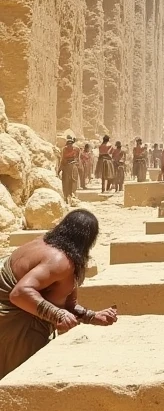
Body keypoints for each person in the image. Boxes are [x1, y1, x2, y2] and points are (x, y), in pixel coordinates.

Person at [0, 209, 117, 380]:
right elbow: (19, 294)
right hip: (17, 330)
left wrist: (93, 316)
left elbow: (67, 304)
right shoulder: (59, 260)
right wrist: (57, 314)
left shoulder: (55, 250)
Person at [57, 137, 80, 204]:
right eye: (68, 144)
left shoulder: (76, 149)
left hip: (72, 168)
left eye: (71, 144)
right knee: (66, 183)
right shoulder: (64, 150)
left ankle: (72, 196)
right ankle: (66, 197)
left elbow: (78, 159)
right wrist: (59, 169)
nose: (70, 146)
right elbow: (62, 160)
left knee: (73, 182)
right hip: (67, 168)